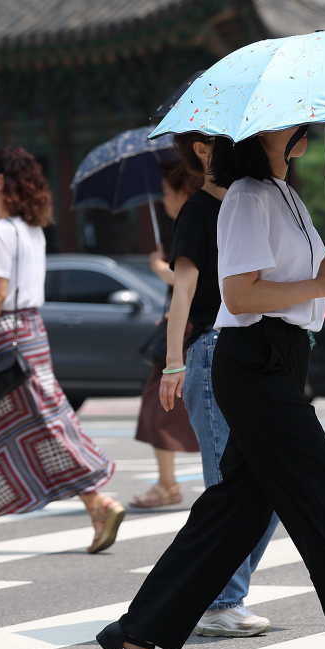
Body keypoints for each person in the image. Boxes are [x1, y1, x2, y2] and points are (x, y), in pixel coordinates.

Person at [96, 126, 325, 649]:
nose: (301, 122)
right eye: (288, 119)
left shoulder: (286, 196)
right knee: (323, 498)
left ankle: (137, 632)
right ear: (260, 136)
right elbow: (240, 295)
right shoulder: (245, 198)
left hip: (282, 362)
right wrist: (317, 281)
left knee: (236, 513)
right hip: (252, 364)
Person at [0, 146, 123, 556]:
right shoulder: (33, 231)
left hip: (2, 338)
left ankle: (94, 504)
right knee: (44, 422)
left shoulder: (1, 231)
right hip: (32, 334)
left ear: (1, 182)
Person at [157, 131, 276, 638]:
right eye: (212, 140)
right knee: (228, 486)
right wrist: (172, 362)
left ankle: (218, 594)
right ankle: (222, 600)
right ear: (201, 151)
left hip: (250, 352)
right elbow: (183, 290)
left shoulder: (252, 203)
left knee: (269, 487)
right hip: (208, 351)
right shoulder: (198, 211)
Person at [130, 161, 200, 510]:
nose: (163, 202)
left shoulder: (195, 219)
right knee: (167, 406)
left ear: (184, 192)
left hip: (192, 333)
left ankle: (167, 483)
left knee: (164, 405)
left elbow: (188, 280)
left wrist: (160, 267)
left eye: (167, 194)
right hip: (187, 330)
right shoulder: (193, 221)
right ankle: (167, 482)